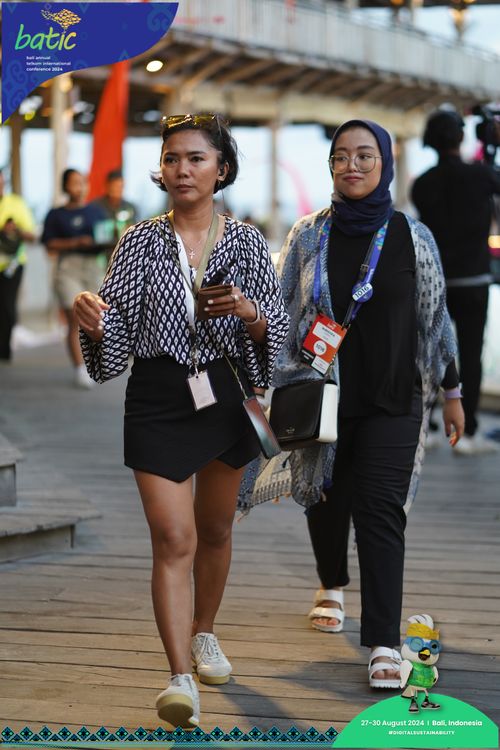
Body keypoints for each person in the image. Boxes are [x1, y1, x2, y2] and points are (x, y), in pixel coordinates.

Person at [72, 113, 289, 728]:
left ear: (221, 168)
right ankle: (179, 678)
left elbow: (275, 333)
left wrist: (248, 312)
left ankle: (204, 632)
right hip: (159, 397)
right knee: (174, 538)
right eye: (172, 158)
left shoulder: (247, 242)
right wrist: (94, 320)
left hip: (224, 393)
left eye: (196, 158)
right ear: (161, 169)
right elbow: (116, 338)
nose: (182, 169)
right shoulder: (139, 240)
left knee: (215, 529)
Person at [239, 119, 464, 689]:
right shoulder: (309, 234)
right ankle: (331, 581)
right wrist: (262, 382)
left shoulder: (413, 236)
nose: (352, 165)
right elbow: (281, 312)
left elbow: (436, 320)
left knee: (381, 513)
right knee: (324, 497)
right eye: (341, 156)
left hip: (394, 398)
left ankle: (384, 642)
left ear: (385, 163)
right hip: (322, 395)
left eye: (365, 155)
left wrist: (453, 393)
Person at [411, 110, 500, 455]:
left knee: (430, 351)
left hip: (435, 282)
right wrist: (491, 149)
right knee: (472, 354)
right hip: (474, 279)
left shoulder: (422, 184)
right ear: (461, 137)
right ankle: (470, 431)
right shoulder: (480, 175)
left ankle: (429, 425)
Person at [41, 169, 108, 388]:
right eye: (75, 183)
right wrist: (75, 242)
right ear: (65, 186)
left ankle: (96, 362)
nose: (80, 187)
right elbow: (48, 244)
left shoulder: (96, 211)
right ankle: (80, 368)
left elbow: (107, 237)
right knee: (75, 317)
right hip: (68, 266)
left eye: (83, 182)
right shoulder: (56, 214)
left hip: (93, 266)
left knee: (99, 315)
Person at [0, 169, 36, 361]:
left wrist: (15, 229)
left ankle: (4, 350)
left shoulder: (16, 203)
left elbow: (32, 235)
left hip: (11, 265)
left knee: (7, 306)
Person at [90, 168, 137, 255]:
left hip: (124, 251)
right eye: (115, 186)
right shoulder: (95, 206)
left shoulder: (130, 207)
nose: (118, 190)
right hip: (101, 252)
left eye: (121, 187)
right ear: (107, 186)